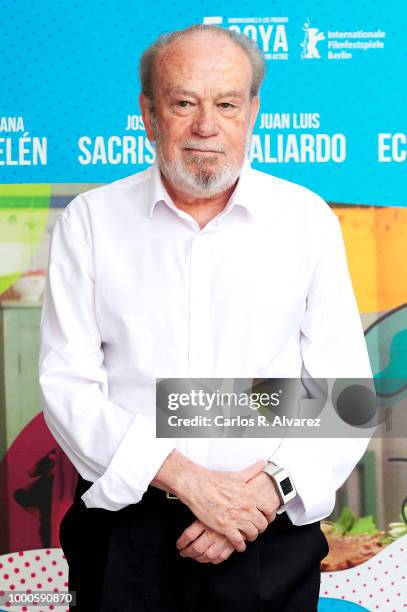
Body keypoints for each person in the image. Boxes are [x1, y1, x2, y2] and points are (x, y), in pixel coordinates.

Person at [39, 24, 373, 611]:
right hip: (128, 539)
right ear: (148, 112)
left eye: (226, 104)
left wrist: (262, 495)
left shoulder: (305, 221)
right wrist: (190, 482)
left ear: (252, 112)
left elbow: (345, 395)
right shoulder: (90, 222)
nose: (205, 127)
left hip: (267, 536)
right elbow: (69, 389)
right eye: (184, 103)